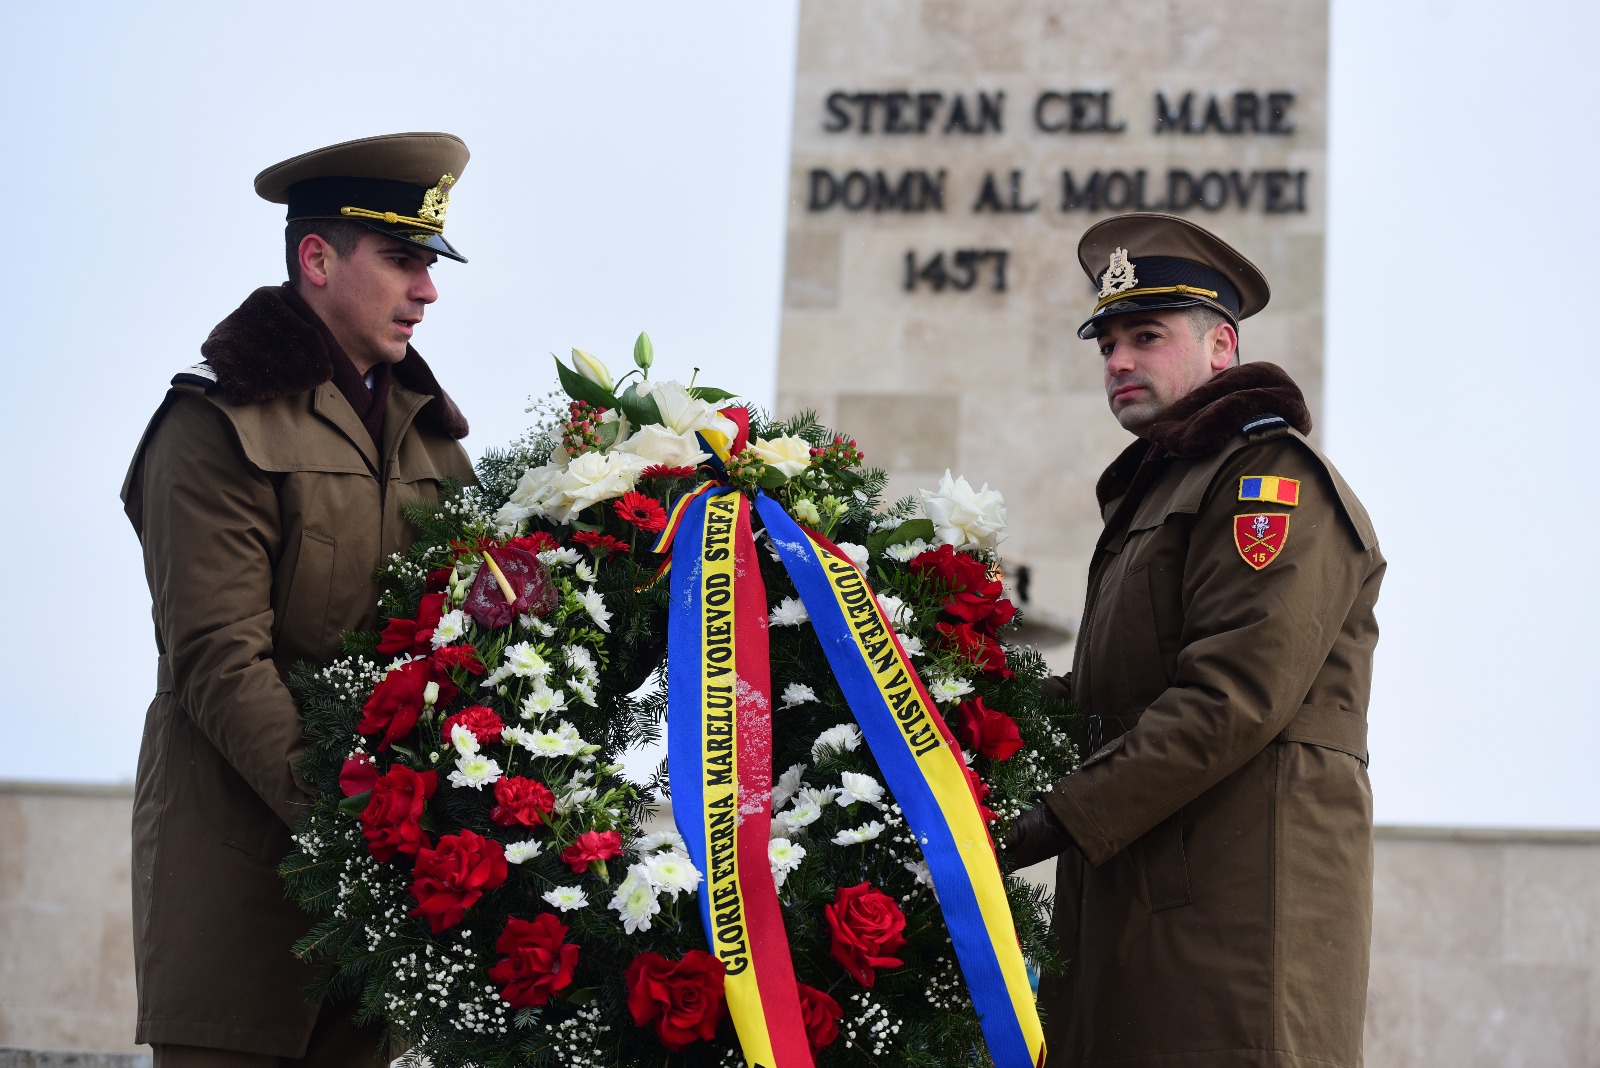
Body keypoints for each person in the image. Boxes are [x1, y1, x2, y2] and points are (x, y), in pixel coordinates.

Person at [120, 132, 479, 1067]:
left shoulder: (434, 442)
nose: (427, 291)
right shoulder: (214, 420)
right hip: (239, 900)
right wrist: (359, 825)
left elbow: (476, 635)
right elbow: (218, 659)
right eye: (401, 260)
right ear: (316, 260)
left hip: (378, 924)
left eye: (430, 265)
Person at [1007, 213, 1385, 1067]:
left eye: (1146, 336)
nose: (1118, 361)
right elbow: (1107, 699)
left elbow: (1230, 697)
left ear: (1222, 347)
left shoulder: (1269, 482)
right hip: (1135, 917)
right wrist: (961, 700)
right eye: (1107, 344)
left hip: (1231, 933)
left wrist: (1046, 822)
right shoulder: (1163, 493)